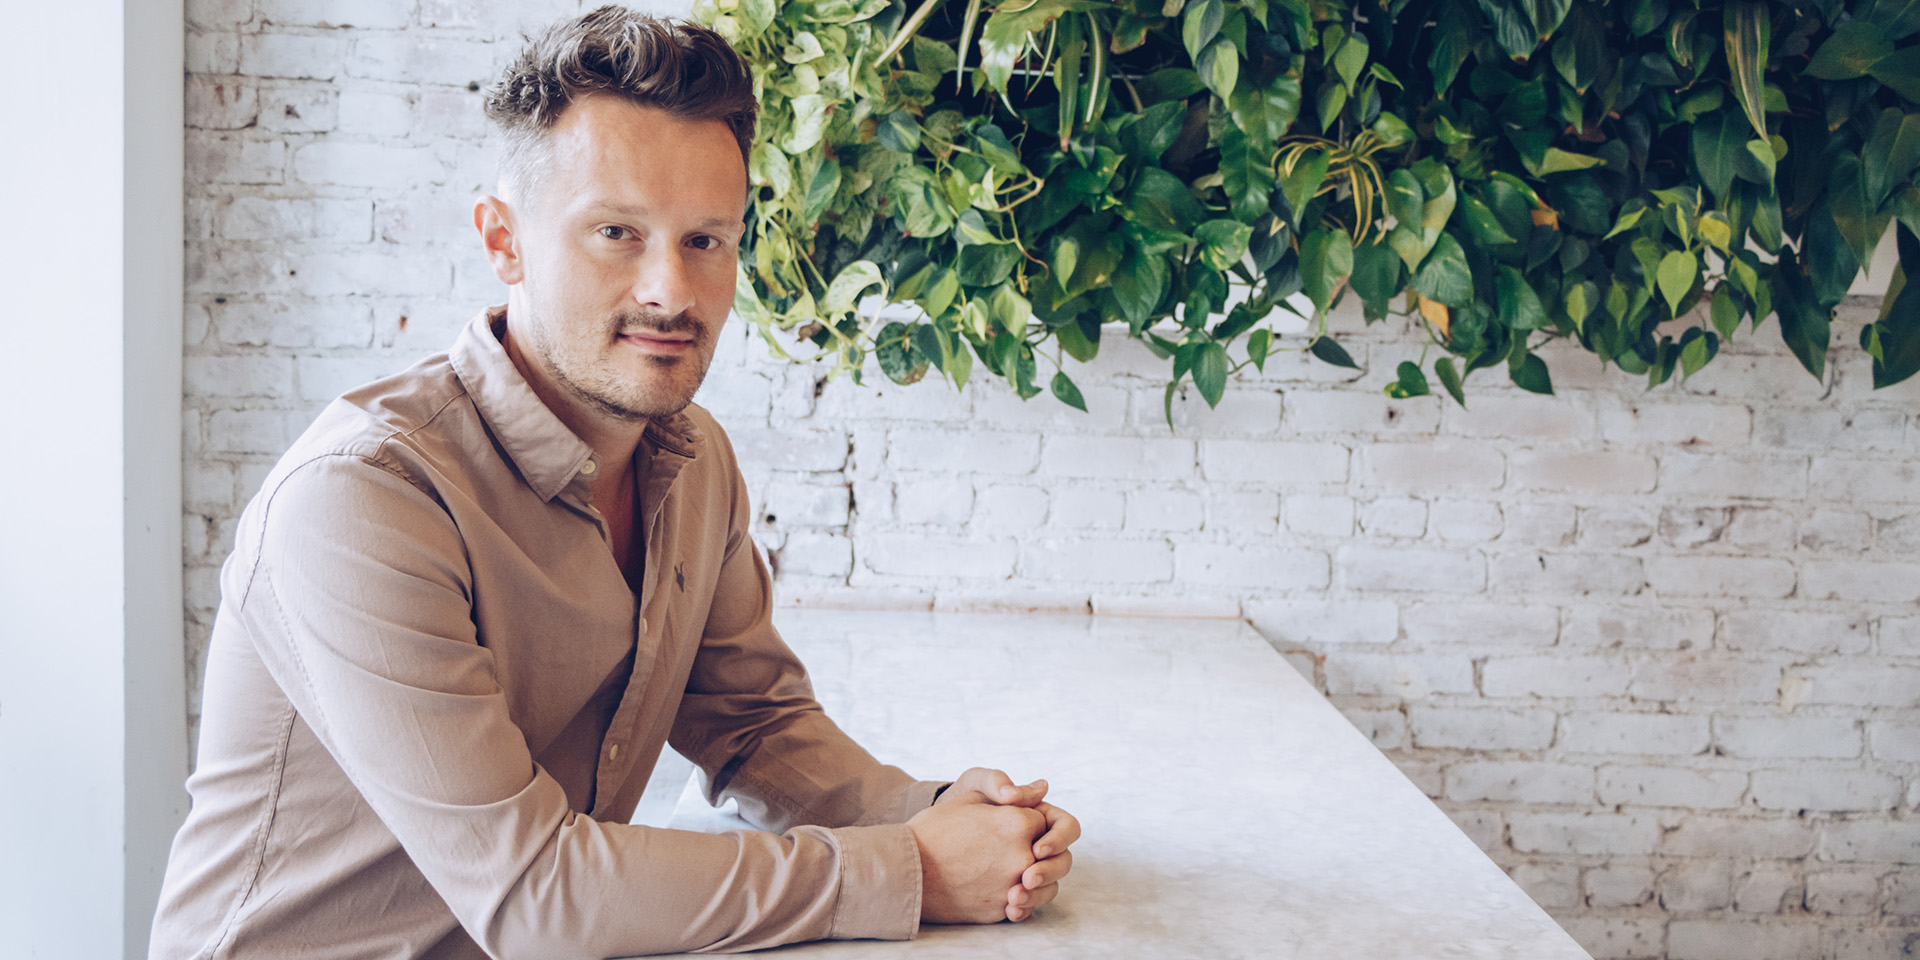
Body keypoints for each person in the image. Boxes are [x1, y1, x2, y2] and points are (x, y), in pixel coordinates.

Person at [149, 8, 1078, 958]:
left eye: (706, 240)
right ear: (503, 241)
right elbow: (537, 896)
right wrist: (910, 870)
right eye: (617, 232)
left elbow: (755, 726)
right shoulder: (361, 501)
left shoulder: (692, 459)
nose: (670, 291)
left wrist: (938, 814)